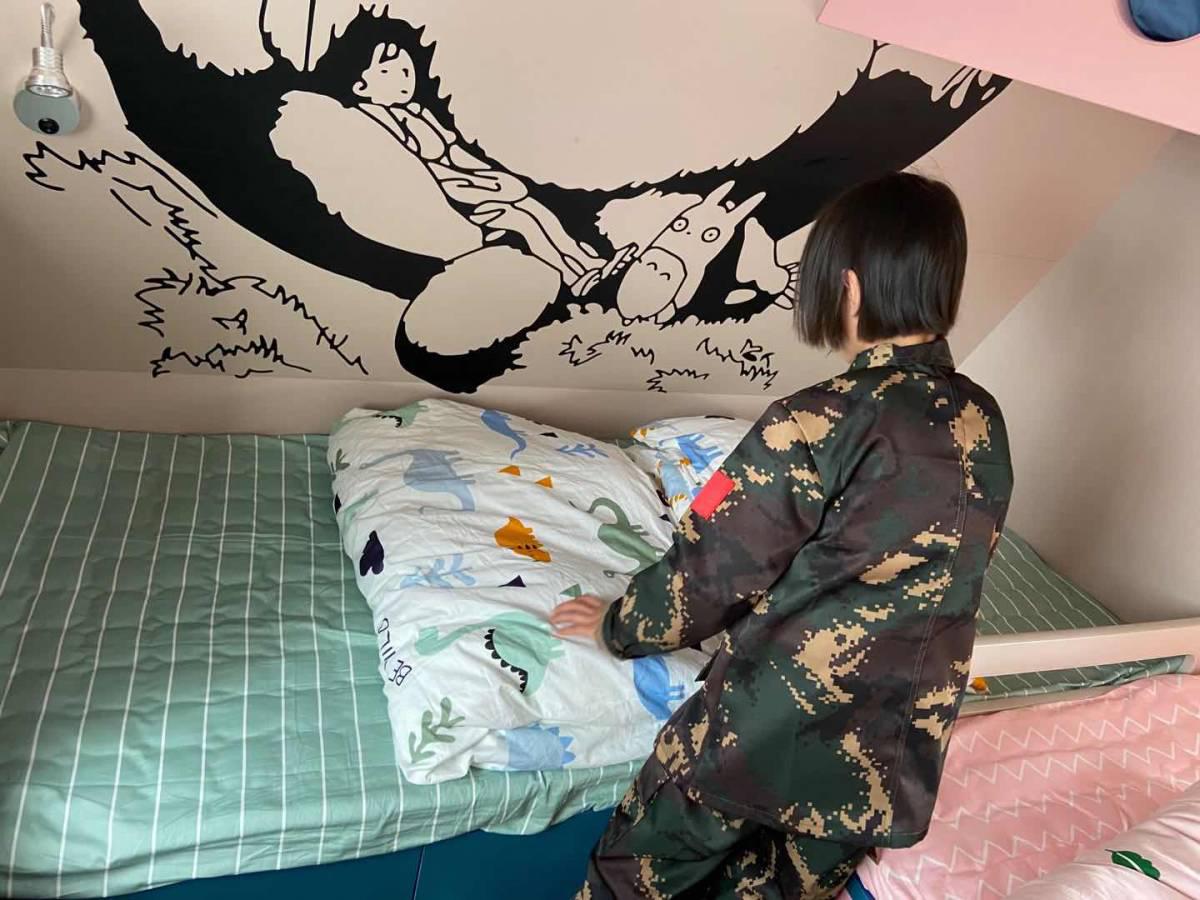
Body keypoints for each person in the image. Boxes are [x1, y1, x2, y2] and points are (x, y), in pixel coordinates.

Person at [551, 172, 1013, 899]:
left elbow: (711, 573)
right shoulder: (983, 421)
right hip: (882, 765)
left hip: (761, 734)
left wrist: (616, 626)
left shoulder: (817, 418)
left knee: (631, 880)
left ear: (849, 289)